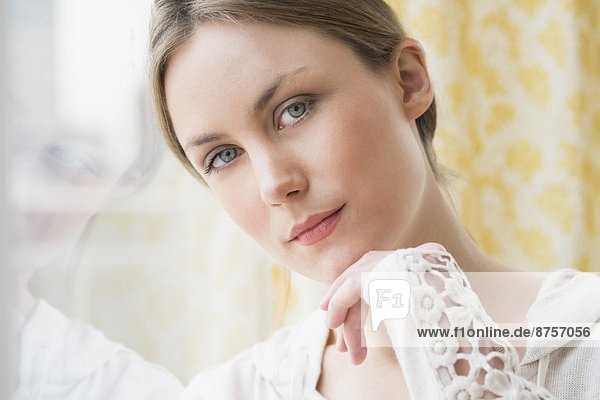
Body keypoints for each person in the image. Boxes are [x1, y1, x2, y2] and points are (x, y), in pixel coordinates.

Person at [148, 0, 600, 399]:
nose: (274, 184)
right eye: (223, 156)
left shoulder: (586, 337)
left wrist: (439, 320)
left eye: (294, 110)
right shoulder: (230, 392)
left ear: (408, 81)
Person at [7, 1, 183, 398]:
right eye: (9, 141)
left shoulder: (123, 389)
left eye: (73, 162)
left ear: (124, 181)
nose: (24, 189)